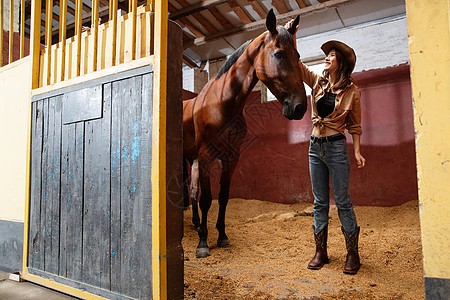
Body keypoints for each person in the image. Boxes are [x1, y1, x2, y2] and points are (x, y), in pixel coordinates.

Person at [285, 19, 366, 274]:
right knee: (319, 202)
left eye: (332, 55)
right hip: (314, 147)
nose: (327, 58)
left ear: (341, 62)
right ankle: (321, 252)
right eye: (327, 55)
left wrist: (357, 151)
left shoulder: (353, 91)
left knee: (342, 201)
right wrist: (293, 35)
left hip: (336, 148)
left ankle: (352, 254)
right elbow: (297, 64)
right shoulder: (318, 82)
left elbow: (354, 125)